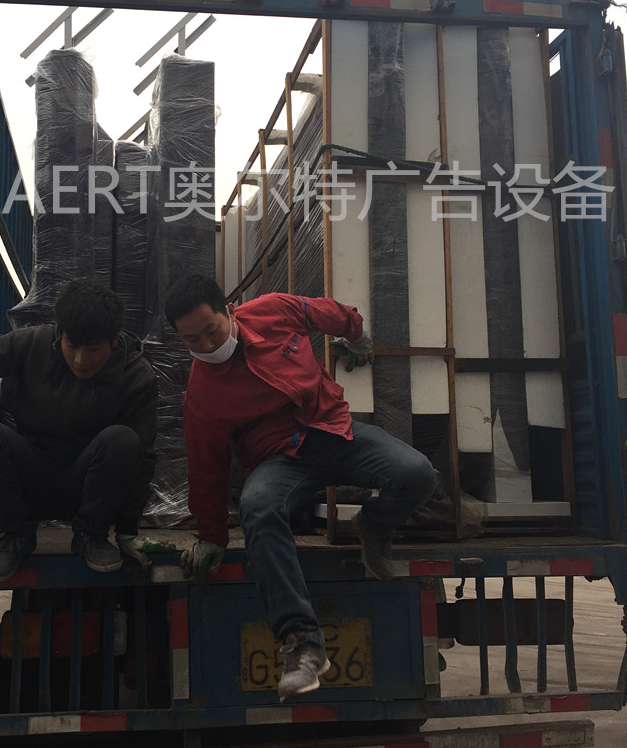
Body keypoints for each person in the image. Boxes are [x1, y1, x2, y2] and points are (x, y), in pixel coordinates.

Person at [165, 275, 436, 703]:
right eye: (191, 340)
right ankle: (303, 645)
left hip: (333, 430)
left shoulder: (272, 310)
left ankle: (375, 525)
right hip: (280, 459)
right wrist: (211, 536)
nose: (206, 344)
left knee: (417, 473)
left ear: (230, 311)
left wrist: (357, 334)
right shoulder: (203, 392)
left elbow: (325, 312)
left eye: (211, 331)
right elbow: (206, 465)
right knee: (258, 505)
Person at [0, 277, 158, 581]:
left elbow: (143, 459)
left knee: (123, 440)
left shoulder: (137, 376)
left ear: (114, 340)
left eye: (93, 349)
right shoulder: (33, 343)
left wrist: (126, 532)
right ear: (60, 333)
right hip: (30, 477)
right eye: (72, 346)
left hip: (88, 486)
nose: (80, 360)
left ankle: (90, 536)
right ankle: (16, 534)